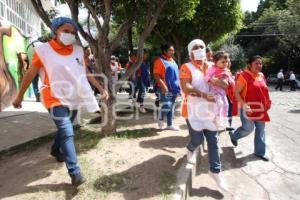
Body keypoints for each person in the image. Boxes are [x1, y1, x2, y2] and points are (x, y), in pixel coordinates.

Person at [12, 17, 109, 186]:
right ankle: (75, 172)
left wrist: (101, 88)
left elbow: (85, 73)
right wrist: (19, 95)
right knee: (67, 130)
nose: (70, 35)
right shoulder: (43, 50)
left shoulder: (78, 51)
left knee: (66, 129)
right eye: (66, 31)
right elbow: (30, 73)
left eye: (73, 32)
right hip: (53, 95)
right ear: (56, 30)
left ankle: (55, 150)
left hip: (74, 96)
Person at [180, 39, 229, 192]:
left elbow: (225, 79)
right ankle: (190, 148)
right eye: (196, 47)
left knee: (213, 141)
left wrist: (223, 83)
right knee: (198, 139)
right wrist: (202, 94)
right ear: (190, 52)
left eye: (202, 46)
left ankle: (215, 172)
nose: (200, 49)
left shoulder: (212, 65)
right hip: (193, 110)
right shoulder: (186, 67)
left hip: (210, 111)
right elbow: (186, 87)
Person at [230, 55, 271, 162]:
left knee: (261, 130)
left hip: (260, 108)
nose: (259, 65)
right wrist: (244, 105)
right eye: (256, 63)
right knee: (248, 129)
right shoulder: (243, 76)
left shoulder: (261, 76)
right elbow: (237, 93)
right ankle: (234, 136)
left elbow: (264, 91)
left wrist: (267, 103)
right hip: (247, 108)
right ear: (250, 65)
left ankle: (259, 152)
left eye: (260, 63)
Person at [153, 43, 180, 130]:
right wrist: (163, 86)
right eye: (170, 50)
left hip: (174, 87)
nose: (172, 52)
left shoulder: (172, 60)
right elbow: (156, 75)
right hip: (163, 87)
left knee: (172, 106)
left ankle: (169, 124)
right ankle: (160, 118)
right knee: (167, 105)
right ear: (164, 51)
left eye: (173, 50)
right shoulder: (159, 61)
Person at [204, 51, 235, 129]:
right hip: (214, 91)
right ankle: (218, 120)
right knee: (220, 104)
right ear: (215, 62)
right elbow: (206, 77)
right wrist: (211, 80)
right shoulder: (213, 69)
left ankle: (224, 120)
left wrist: (231, 82)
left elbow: (230, 80)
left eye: (227, 62)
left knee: (226, 105)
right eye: (223, 62)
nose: (225, 64)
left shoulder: (226, 70)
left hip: (223, 92)